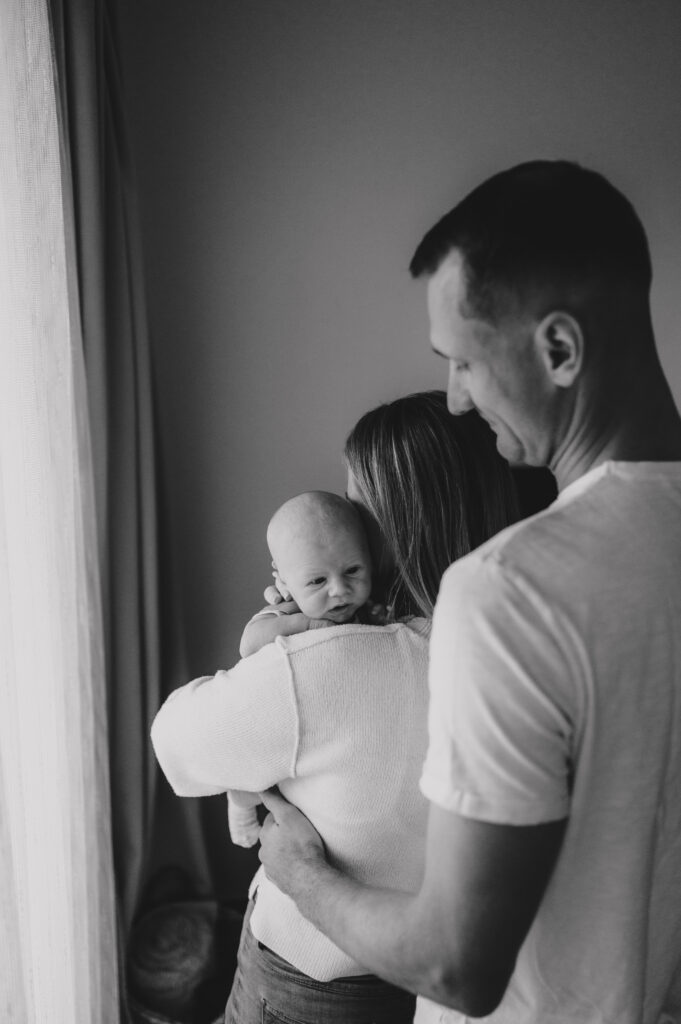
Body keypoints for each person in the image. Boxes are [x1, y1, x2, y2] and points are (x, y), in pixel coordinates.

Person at [257, 159, 681, 1024]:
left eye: (462, 362)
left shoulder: (510, 591)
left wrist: (299, 874)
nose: (454, 401)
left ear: (558, 349)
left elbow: (454, 965)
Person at [150, 392, 519, 1024]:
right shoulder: (517, 645)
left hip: (313, 980)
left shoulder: (326, 661)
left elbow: (175, 744)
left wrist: (272, 640)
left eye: (358, 510)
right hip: (432, 979)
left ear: (396, 524)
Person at [229, 489, 374, 848]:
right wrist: (305, 625)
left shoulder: (363, 609)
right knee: (251, 773)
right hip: (270, 719)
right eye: (317, 581)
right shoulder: (287, 609)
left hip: (321, 724)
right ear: (283, 580)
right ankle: (239, 807)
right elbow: (249, 643)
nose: (339, 590)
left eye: (353, 570)